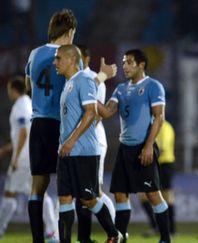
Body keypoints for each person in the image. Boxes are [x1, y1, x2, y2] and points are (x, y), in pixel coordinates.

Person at [24, 9, 116, 242]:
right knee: (78, 188)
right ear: (70, 30)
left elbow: (28, 87)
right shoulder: (68, 56)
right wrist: (104, 77)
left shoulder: (34, 54)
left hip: (38, 124)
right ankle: (84, 237)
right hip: (63, 126)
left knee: (37, 189)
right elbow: (83, 85)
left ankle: (38, 239)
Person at [97, 48, 171, 243]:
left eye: (129, 62)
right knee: (121, 195)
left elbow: (159, 118)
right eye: (123, 62)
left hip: (143, 148)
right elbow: (106, 112)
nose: (125, 66)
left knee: (153, 194)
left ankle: (165, 238)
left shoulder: (153, 86)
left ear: (141, 65)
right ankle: (121, 237)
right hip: (125, 148)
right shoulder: (120, 89)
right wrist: (90, 91)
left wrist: (148, 146)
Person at [54, 44, 122, 242]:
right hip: (66, 151)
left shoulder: (83, 79)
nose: (55, 62)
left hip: (83, 151)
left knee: (89, 198)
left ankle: (113, 233)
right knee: (64, 199)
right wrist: (63, 144)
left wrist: (71, 140)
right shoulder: (68, 83)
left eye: (59, 58)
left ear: (72, 60)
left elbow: (92, 112)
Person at [0, 76, 58, 242]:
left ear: (13, 89)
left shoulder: (21, 105)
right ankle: (51, 231)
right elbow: (22, 134)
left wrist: (16, 157)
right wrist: (6, 149)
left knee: (10, 194)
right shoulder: (27, 103)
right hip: (31, 157)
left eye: (9, 89)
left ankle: (1, 230)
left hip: (23, 160)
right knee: (40, 193)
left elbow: (24, 132)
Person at [76, 44, 116, 243]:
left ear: (86, 58)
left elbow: (98, 116)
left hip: (93, 140)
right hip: (79, 141)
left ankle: (115, 231)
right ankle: (84, 237)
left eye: (76, 57)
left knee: (95, 191)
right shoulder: (72, 79)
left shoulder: (95, 80)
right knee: (81, 192)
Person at [139, 119, 176, 237]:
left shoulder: (165, 127)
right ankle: (156, 226)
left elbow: (162, 147)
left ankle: (171, 229)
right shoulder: (151, 126)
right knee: (144, 195)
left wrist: (145, 149)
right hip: (154, 164)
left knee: (166, 196)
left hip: (165, 164)